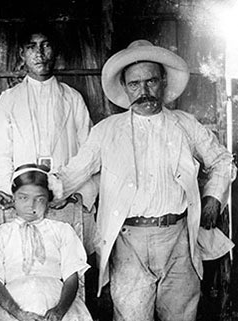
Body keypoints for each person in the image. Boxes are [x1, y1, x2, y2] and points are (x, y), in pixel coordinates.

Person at [50, 40, 236, 321]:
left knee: (181, 316)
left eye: (151, 81)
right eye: (135, 84)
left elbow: (222, 160)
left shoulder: (185, 124)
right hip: (128, 243)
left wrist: (213, 197)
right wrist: (33, 188)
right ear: (125, 88)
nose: (144, 91)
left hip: (178, 240)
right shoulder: (107, 131)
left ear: (163, 82)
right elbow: (73, 174)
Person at [0, 24, 98, 256]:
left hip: (65, 196)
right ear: (22, 54)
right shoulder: (9, 99)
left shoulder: (72, 97)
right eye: (32, 47)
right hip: (24, 194)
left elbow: (89, 149)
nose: (39, 54)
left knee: (67, 260)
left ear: (55, 51)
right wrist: (6, 189)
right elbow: (1, 151)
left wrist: (68, 189)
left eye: (46, 45)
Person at [0, 164, 93, 321]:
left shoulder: (62, 230)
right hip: (14, 303)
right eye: (23, 198)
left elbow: (71, 277)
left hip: (57, 300)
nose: (31, 205)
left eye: (39, 199)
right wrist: (18, 313)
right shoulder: (0, 235)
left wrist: (59, 310)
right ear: (13, 197)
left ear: (49, 200)